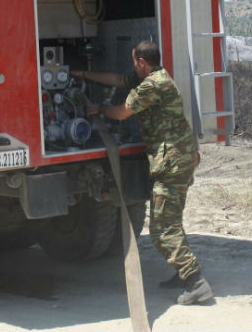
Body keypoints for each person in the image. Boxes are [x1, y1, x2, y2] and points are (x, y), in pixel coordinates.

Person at [71, 40, 214, 305]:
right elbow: (116, 79)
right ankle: (182, 272)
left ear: (141, 62)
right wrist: (82, 74)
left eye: (134, 61)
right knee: (172, 220)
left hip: (172, 162)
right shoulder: (154, 77)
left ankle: (196, 283)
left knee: (161, 228)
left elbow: (122, 113)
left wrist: (99, 109)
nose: (132, 66)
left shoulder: (152, 85)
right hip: (178, 159)